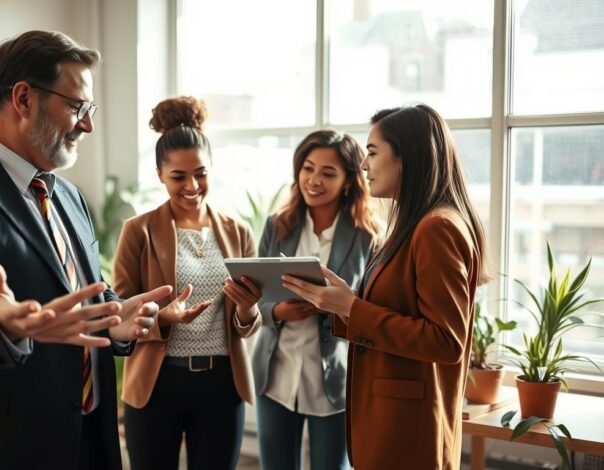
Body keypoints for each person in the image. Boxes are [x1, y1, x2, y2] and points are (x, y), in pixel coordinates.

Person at [0, 30, 171, 470]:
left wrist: (115, 319)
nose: (88, 125)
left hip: (87, 442)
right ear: (24, 99)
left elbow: (75, 297)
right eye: (77, 107)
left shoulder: (70, 197)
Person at [283, 104, 487, 470]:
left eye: (372, 153)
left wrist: (351, 308)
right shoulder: (415, 224)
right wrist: (343, 304)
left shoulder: (436, 228)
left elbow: (445, 340)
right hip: (394, 422)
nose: (364, 165)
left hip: (407, 430)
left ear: (405, 158)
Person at [111, 96, 262, 470]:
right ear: (160, 175)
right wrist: (163, 317)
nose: (192, 185)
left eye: (201, 173)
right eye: (178, 176)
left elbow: (249, 322)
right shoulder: (138, 231)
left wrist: (246, 309)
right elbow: (120, 311)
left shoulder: (237, 231)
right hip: (157, 384)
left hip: (221, 386)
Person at [252, 130, 381, 470]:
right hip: (275, 373)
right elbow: (257, 299)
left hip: (334, 380)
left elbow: (371, 310)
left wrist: (333, 307)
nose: (314, 180)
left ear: (349, 181)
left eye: (328, 172)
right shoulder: (277, 226)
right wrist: (277, 311)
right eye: (308, 169)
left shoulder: (367, 237)